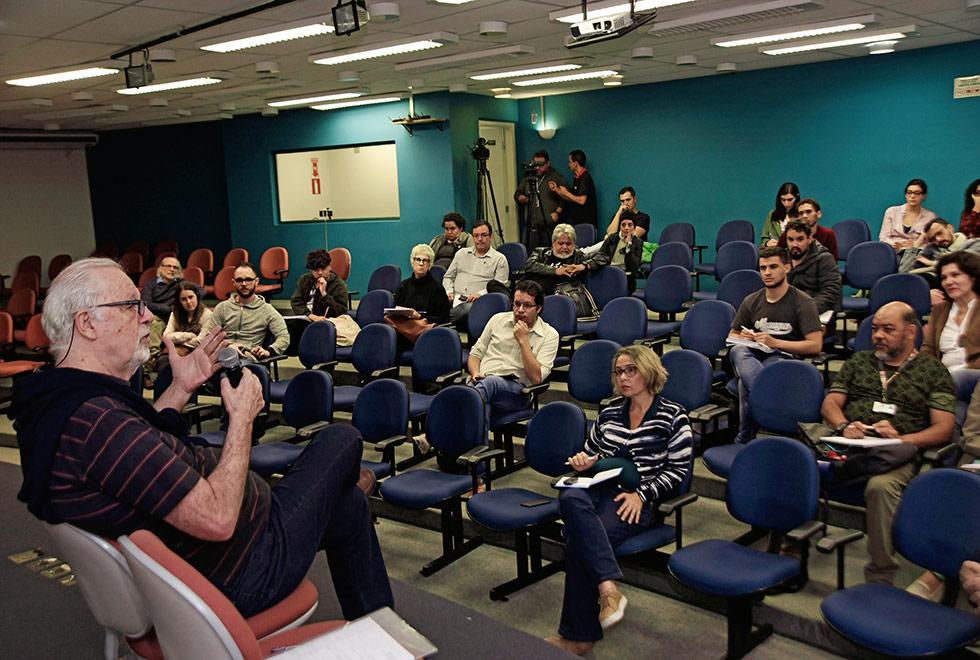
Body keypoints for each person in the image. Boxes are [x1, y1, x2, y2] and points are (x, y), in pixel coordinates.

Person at [10, 258, 394, 621]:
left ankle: (383, 635)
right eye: (132, 306)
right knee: (341, 437)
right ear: (88, 324)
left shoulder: (62, 401)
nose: (147, 316)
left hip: (214, 556)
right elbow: (219, 521)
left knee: (347, 509)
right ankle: (355, 486)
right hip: (245, 567)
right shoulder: (100, 426)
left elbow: (140, 449)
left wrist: (181, 387)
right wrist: (241, 419)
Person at [546, 345, 692, 656]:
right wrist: (583, 462)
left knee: (578, 539)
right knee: (570, 496)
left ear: (649, 371)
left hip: (636, 498)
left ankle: (579, 638)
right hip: (598, 489)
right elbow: (592, 451)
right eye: (618, 372)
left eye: (630, 370)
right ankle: (608, 588)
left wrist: (643, 494)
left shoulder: (673, 416)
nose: (623, 377)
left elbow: (678, 471)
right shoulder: (610, 412)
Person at [821, 301, 956, 585]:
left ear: (910, 333)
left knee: (881, 488)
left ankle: (880, 574)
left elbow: (944, 429)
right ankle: (790, 543)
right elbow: (831, 402)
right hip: (851, 444)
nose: (878, 335)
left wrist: (901, 438)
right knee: (800, 463)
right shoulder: (859, 361)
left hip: (897, 454)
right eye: (875, 329)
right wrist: (844, 425)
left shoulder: (933, 371)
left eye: (888, 329)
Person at [729, 247, 823, 444]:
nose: (767, 272)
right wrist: (745, 336)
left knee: (745, 380)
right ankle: (763, 393)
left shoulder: (803, 302)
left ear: (787, 267)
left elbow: (815, 345)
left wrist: (775, 342)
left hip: (786, 358)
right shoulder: (752, 300)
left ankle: (745, 437)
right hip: (754, 354)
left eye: (773, 267)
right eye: (763, 268)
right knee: (738, 349)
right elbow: (733, 334)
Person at [467, 279, 559, 434]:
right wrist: (475, 372)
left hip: (517, 392)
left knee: (480, 389)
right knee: (482, 407)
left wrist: (523, 340)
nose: (520, 310)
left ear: (539, 308)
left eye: (527, 306)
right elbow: (475, 354)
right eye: (517, 304)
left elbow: (537, 379)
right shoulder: (497, 320)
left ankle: (434, 436)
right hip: (482, 382)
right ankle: (479, 456)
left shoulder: (549, 335)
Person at [207, 262, 289, 361]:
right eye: (239, 280)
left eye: (248, 280)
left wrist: (269, 351)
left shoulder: (267, 310)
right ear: (234, 282)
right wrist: (227, 346)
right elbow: (209, 336)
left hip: (246, 355)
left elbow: (284, 336)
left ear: (256, 281)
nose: (244, 284)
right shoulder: (222, 307)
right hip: (221, 353)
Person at [921, 251, 980, 372]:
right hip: (943, 377)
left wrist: (961, 373)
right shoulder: (940, 309)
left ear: (973, 276)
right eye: (944, 278)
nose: (948, 282)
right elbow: (929, 349)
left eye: (955, 275)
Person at [141, 256, 203, 369]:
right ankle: (153, 357)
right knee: (154, 324)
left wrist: (180, 305)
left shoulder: (181, 283)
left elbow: (201, 291)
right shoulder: (149, 284)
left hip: (177, 316)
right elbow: (147, 303)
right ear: (161, 268)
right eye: (169, 266)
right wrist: (169, 308)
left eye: (175, 267)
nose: (172, 269)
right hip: (159, 316)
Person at [386, 244, 452, 350]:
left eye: (425, 261)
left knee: (392, 340)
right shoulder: (403, 286)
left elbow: (443, 318)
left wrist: (419, 316)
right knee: (386, 336)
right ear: (412, 262)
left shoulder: (437, 288)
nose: (421, 264)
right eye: (418, 259)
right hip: (404, 328)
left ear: (430, 265)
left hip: (423, 331)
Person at [443, 220, 509, 324]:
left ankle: (440, 321)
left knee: (466, 311)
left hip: (476, 302)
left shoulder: (499, 259)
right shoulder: (461, 253)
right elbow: (448, 277)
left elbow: (499, 287)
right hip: (454, 297)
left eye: (484, 235)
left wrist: (480, 294)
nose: (479, 239)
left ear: (491, 237)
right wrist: (449, 291)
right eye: (476, 235)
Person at [286, 249, 349, 355]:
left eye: (323, 269)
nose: (320, 273)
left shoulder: (338, 284)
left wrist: (324, 294)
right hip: (307, 318)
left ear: (330, 266)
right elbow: (296, 302)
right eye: (316, 270)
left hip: (327, 321)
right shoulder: (305, 280)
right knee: (286, 325)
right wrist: (310, 315)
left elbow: (339, 311)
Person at [524, 223, 609, 296]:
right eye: (561, 243)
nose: (564, 247)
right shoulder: (541, 253)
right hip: (539, 295)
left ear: (573, 244)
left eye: (568, 244)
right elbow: (529, 264)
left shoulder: (579, 257)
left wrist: (584, 266)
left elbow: (604, 257)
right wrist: (555, 271)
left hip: (567, 296)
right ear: (553, 243)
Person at [784, 220, 842, 318]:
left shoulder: (824, 259)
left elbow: (831, 291)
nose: (794, 244)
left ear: (809, 238)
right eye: (790, 239)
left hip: (817, 313)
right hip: (788, 313)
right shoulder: (782, 259)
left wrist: (805, 310)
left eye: (800, 239)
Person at [514, 150, 567, 251]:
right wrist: (522, 198)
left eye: (541, 164)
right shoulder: (529, 177)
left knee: (547, 256)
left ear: (547, 163)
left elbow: (566, 199)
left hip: (548, 227)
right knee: (527, 255)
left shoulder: (557, 177)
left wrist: (557, 212)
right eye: (535, 164)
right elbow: (517, 193)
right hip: (530, 227)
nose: (537, 168)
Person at [157, 281, 214, 373]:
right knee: (162, 362)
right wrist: (188, 336)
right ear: (179, 301)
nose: (188, 302)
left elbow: (201, 342)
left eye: (191, 297)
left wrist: (177, 341)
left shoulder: (207, 315)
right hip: (177, 352)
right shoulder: (175, 315)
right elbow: (166, 337)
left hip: (197, 353)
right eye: (183, 299)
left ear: (197, 296)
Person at [879, 178, 937, 250]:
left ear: (924, 195)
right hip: (893, 251)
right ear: (905, 194)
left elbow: (931, 243)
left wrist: (915, 245)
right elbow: (883, 237)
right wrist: (896, 244)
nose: (912, 196)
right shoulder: (891, 211)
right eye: (909, 192)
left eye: (917, 193)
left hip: (916, 252)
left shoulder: (930, 217)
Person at [550, 150, 597, 231]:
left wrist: (566, 193)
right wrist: (557, 190)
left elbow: (582, 200)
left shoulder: (585, 178)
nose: (568, 164)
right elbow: (572, 199)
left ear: (575, 163)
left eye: (569, 162)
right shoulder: (577, 178)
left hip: (586, 223)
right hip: (577, 221)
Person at [598, 212, 644, 294]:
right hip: (609, 273)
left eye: (630, 225)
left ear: (634, 227)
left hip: (626, 277)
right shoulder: (612, 238)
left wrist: (628, 246)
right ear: (620, 226)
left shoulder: (637, 243)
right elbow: (600, 256)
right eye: (623, 225)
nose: (626, 228)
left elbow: (634, 266)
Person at [761, 182, 801, 247]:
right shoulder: (772, 214)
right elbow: (764, 238)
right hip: (776, 251)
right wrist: (767, 242)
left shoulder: (802, 214)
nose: (786, 204)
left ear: (797, 197)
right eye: (783, 200)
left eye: (790, 200)